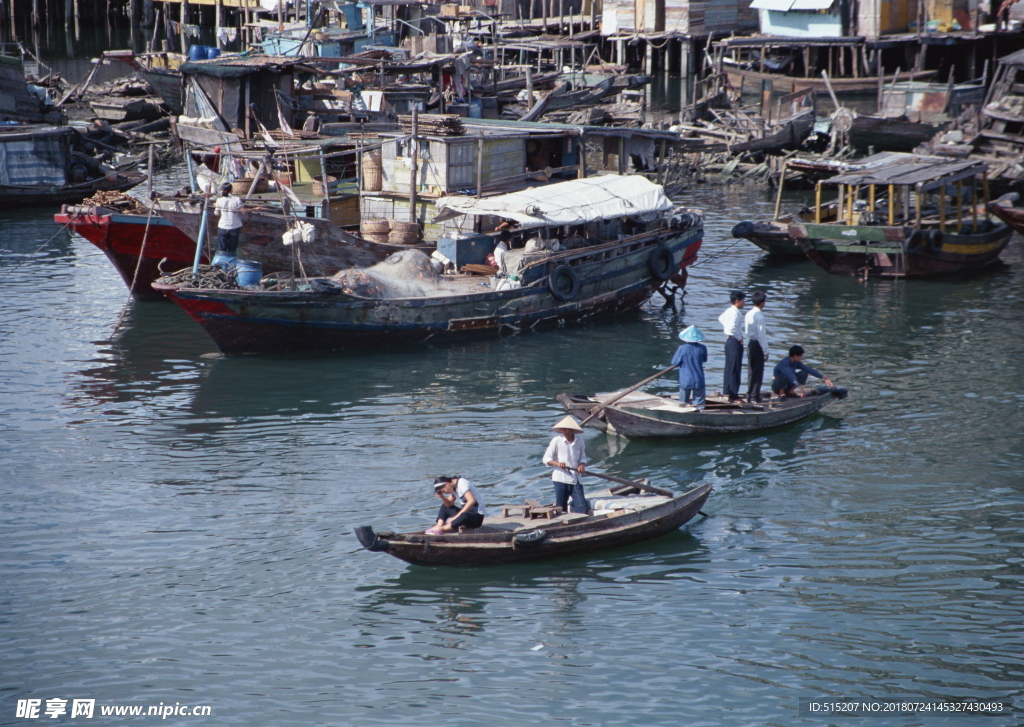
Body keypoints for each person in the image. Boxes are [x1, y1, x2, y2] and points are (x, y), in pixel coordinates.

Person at [544, 416, 588, 514]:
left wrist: (582, 465)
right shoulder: (556, 441)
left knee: (582, 506)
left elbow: (583, 457)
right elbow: (546, 459)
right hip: (560, 479)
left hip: (575, 479)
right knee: (560, 508)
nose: (565, 431)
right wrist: (557, 463)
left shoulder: (580, 441)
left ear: (572, 430)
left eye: (567, 429)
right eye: (563, 429)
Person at [717, 290, 746, 402]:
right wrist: (739, 337)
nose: (744, 303)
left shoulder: (729, 310)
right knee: (735, 368)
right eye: (743, 300)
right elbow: (733, 327)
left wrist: (727, 328)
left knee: (729, 367)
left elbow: (721, 319)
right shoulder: (736, 312)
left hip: (729, 341)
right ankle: (733, 395)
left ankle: (727, 392)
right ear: (737, 301)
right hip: (734, 341)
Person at [671, 325, 708, 409]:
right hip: (699, 378)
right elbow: (704, 359)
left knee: (683, 403)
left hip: (685, 379)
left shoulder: (682, 348)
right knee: (700, 404)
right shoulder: (703, 348)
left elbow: (674, 363)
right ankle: (700, 414)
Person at [744, 291, 769, 403]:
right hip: (758, 345)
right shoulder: (760, 316)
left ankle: (749, 394)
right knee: (758, 372)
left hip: (750, 343)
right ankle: (755, 396)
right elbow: (761, 335)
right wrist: (765, 351)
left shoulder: (748, 313)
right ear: (762, 302)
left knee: (751, 371)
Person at [213, 182, 243, 255]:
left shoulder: (219, 200)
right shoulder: (237, 199)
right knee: (232, 250)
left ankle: (222, 263)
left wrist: (215, 206)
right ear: (231, 190)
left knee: (222, 250)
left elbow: (216, 214)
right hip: (234, 226)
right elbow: (243, 211)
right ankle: (231, 264)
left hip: (222, 226)